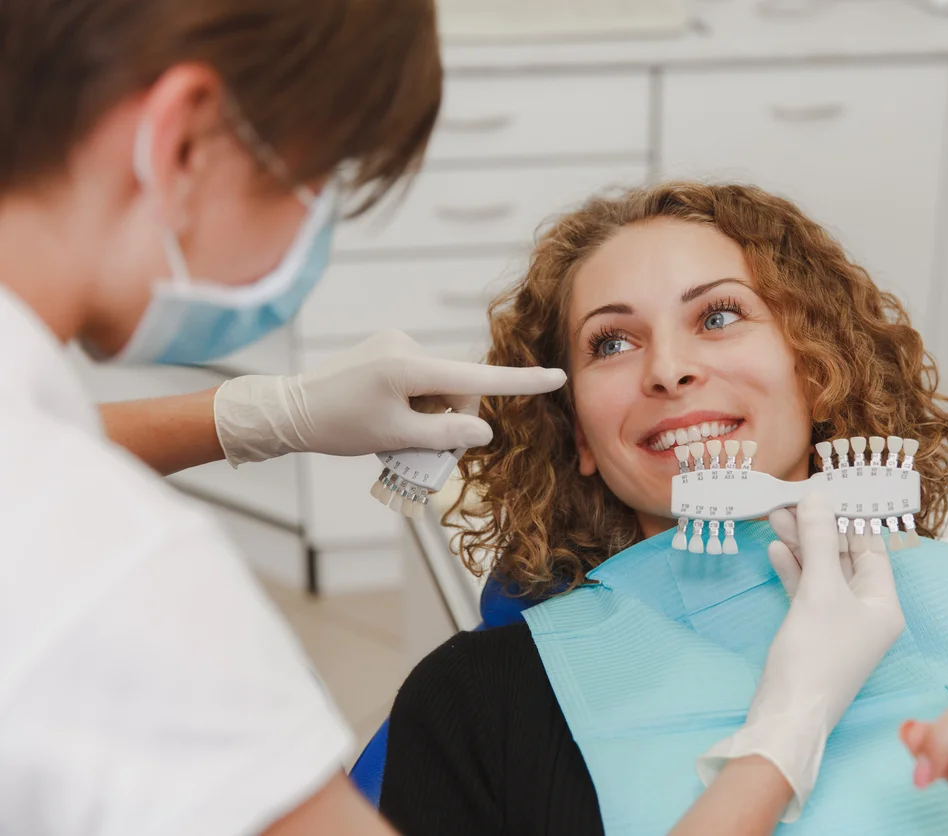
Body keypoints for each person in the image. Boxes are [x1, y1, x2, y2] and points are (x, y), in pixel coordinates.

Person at [379, 182, 948, 835]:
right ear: (579, 435)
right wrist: (786, 730)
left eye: (718, 316)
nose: (670, 368)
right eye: (610, 343)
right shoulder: (482, 704)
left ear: (816, 370)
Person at [0, 2, 571, 835]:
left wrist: (262, 415)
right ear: (183, 142)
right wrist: (775, 750)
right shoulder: (118, 573)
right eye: (323, 178)